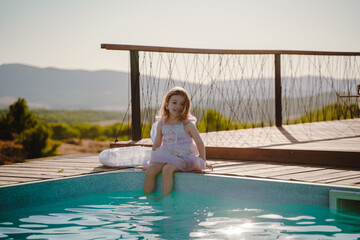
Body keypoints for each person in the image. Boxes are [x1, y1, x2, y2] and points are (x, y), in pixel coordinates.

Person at [144, 87, 213, 199]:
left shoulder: (187, 124)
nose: (178, 106)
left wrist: (203, 162)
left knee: (167, 169)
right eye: (174, 103)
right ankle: (147, 197)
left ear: (186, 107)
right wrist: (151, 162)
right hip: (166, 154)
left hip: (184, 157)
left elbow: (199, 143)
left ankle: (165, 197)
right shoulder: (162, 124)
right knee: (151, 170)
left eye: (182, 104)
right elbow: (157, 144)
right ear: (167, 105)